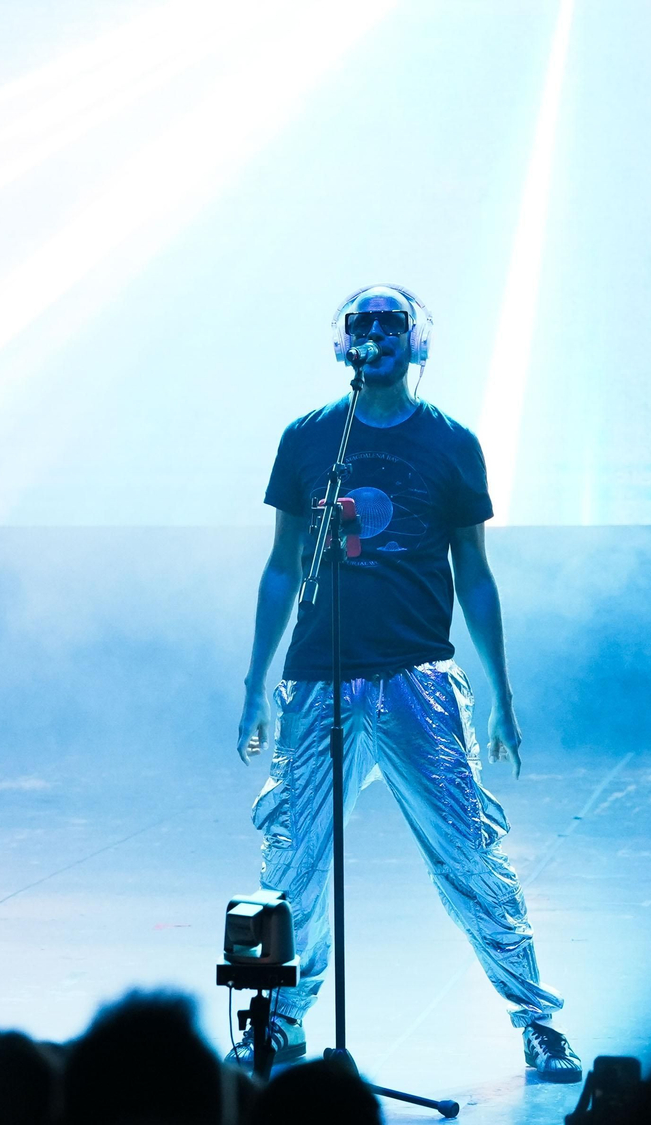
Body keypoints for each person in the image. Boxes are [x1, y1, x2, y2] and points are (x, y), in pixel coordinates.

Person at [233, 285, 578, 1081]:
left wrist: (502, 693)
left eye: (392, 322)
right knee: (294, 860)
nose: (377, 333)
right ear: (342, 342)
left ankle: (537, 1019)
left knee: (469, 854)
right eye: (363, 323)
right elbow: (282, 567)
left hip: (417, 679)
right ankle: (280, 1017)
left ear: (416, 341)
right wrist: (254, 684)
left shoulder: (451, 443)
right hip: (319, 678)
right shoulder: (308, 438)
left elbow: (475, 573)